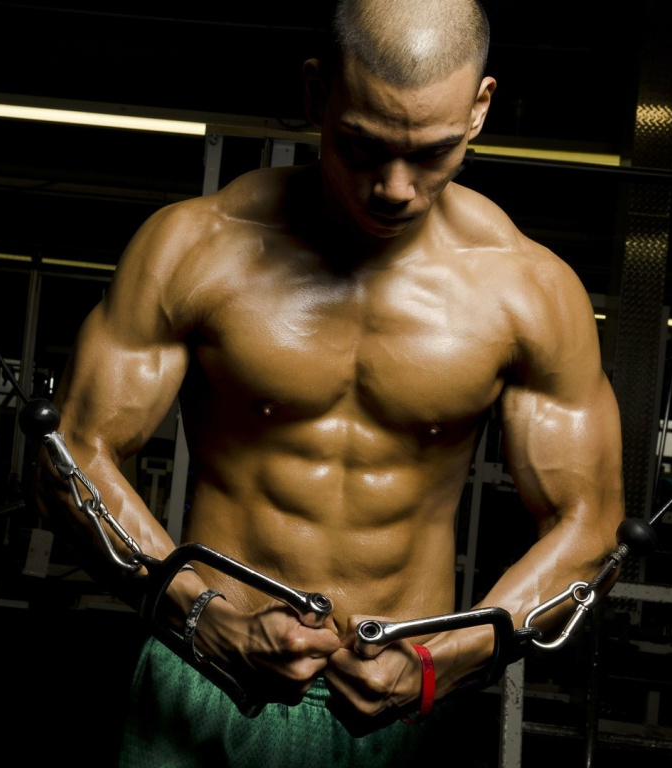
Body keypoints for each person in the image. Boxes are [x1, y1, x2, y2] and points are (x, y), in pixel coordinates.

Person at [37, 0, 624, 764]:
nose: (395, 188)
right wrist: (200, 614)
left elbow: (592, 524)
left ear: (480, 108)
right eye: (363, 146)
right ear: (317, 95)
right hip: (205, 674)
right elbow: (72, 456)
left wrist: (453, 656)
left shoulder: (530, 291)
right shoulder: (196, 247)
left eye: (433, 153)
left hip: (400, 708)